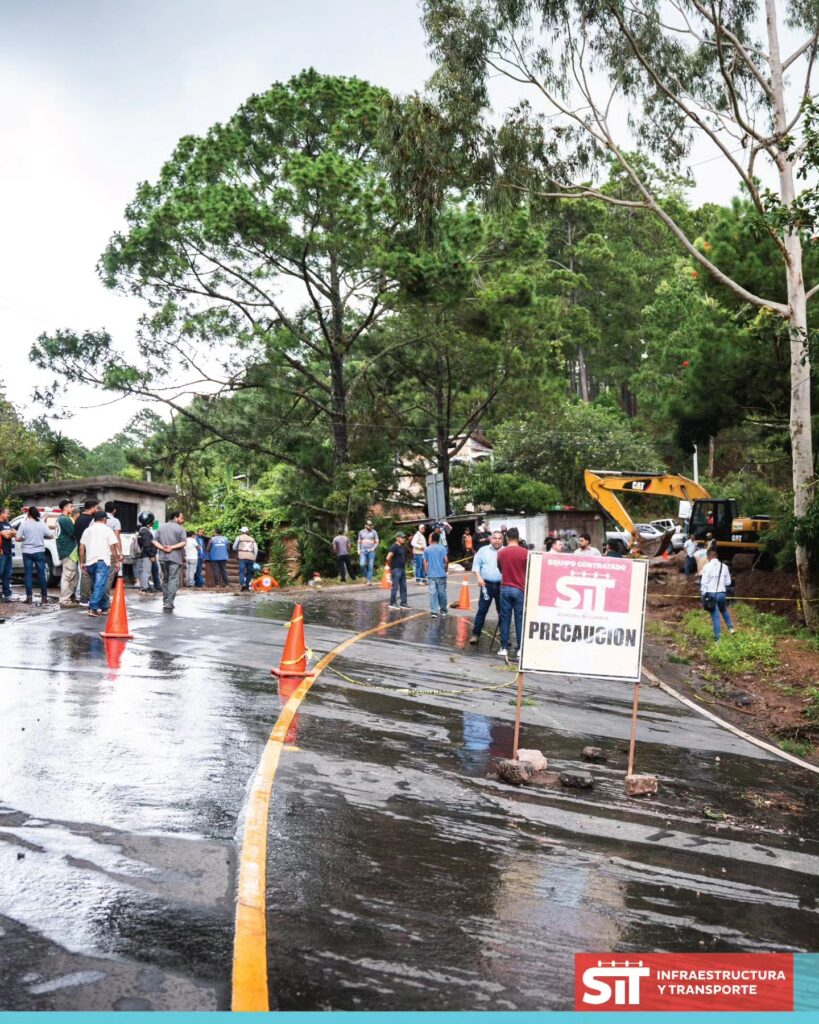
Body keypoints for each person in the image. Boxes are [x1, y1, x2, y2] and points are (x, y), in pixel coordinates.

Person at [78, 509, 118, 617]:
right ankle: (93, 608)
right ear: (104, 519)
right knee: (100, 585)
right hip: (102, 561)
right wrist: (117, 560)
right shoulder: (108, 530)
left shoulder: (87, 530)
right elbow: (113, 547)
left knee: (99, 585)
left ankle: (104, 607)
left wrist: (82, 562)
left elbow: (81, 547)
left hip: (90, 562)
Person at [496, 526, 529, 658]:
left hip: (505, 588)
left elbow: (500, 569)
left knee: (505, 619)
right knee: (519, 619)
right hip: (520, 588)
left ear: (507, 538)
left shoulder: (501, 553)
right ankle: (520, 649)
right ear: (518, 538)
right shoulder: (525, 552)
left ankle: (504, 647)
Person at [470, 529, 503, 645]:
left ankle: (504, 636)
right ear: (491, 539)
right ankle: (476, 634)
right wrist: (479, 577)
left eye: (499, 538)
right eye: (495, 538)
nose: (497, 540)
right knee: (482, 610)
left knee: (502, 612)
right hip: (486, 585)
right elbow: (476, 565)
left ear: (502, 540)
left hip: (501, 586)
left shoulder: (506, 551)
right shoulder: (483, 550)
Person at [17, 507, 54, 605]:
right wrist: (42, 536)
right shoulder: (41, 523)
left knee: (28, 574)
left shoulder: (24, 524)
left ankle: (29, 597)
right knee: (41, 574)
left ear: (28, 514)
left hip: (27, 552)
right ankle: (44, 597)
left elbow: (17, 538)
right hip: (39, 552)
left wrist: (24, 539)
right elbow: (51, 535)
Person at [700, 547, 735, 640]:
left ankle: (717, 639)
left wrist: (703, 595)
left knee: (715, 616)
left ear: (708, 556)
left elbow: (704, 583)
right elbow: (728, 582)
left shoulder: (706, 566)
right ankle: (731, 628)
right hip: (722, 594)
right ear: (717, 555)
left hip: (711, 594)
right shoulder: (724, 567)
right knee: (723, 610)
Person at [157, 511, 188, 611]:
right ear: (175, 517)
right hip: (175, 558)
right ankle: (169, 602)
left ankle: (165, 601)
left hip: (162, 557)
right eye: (181, 517)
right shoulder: (181, 529)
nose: (182, 520)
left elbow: (153, 540)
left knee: (165, 579)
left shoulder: (161, 527)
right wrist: (172, 547)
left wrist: (162, 548)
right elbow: (183, 542)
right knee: (173, 580)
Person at [73, 499, 98, 603]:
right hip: (90, 550)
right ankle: (87, 597)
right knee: (90, 574)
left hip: (80, 548)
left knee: (83, 572)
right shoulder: (92, 520)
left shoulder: (78, 519)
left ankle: (82, 596)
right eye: (96, 507)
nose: (96, 509)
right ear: (92, 508)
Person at [56, 499, 80, 608]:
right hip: (68, 551)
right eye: (71, 506)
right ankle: (65, 600)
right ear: (65, 507)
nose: (72, 508)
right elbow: (74, 533)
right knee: (68, 575)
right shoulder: (65, 519)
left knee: (71, 575)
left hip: (65, 550)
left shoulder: (60, 519)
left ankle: (69, 598)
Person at [423, 530, 449, 616]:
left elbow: (425, 562)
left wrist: (426, 571)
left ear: (431, 539)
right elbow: (446, 560)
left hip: (431, 575)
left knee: (432, 593)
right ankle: (443, 610)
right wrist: (445, 569)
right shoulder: (443, 548)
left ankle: (434, 611)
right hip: (441, 574)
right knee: (442, 593)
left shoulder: (427, 549)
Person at [135, 512, 161, 592]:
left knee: (147, 571)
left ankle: (146, 586)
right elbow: (147, 545)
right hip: (147, 555)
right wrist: (152, 555)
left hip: (147, 554)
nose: (153, 522)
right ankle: (144, 588)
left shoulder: (143, 530)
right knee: (146, 572)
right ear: (149, 521)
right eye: (152, 520)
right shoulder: (145, 531)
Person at [386, 531, 409, 610]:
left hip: (402, 569)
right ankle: (392, 603)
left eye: (404, 537)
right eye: (402, 537)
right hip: (396, 569)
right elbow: (388, 558)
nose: (403, 539)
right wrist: (391, 566)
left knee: (403, 586)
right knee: (395, 586)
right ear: (397, 538)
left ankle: (403, 602)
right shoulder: (394, 546)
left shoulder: (401, 546)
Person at [0, 507, 16, 602]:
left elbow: (16, 533)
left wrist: (10, 533)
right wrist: (11, 533)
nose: (8, 515)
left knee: (7, 574)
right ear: (1, 513)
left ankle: (7, 594)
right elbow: (6, 535)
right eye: (7, 513)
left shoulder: (7, 523)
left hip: (8, 552)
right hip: (1, 553)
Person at [357, 519, 379, 586]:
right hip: (363, 551)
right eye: (369, 525)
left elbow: (377, 542)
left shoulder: (374, 532)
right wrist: (358, 549)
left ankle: (369, 580)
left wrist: (374, 548)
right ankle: (366, 576)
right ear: (365, 525)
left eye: (371, 525)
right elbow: (359, 542)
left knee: (371, 566)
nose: (370, 526)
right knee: (362, 564)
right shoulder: (361, 532)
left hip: (371, 551)